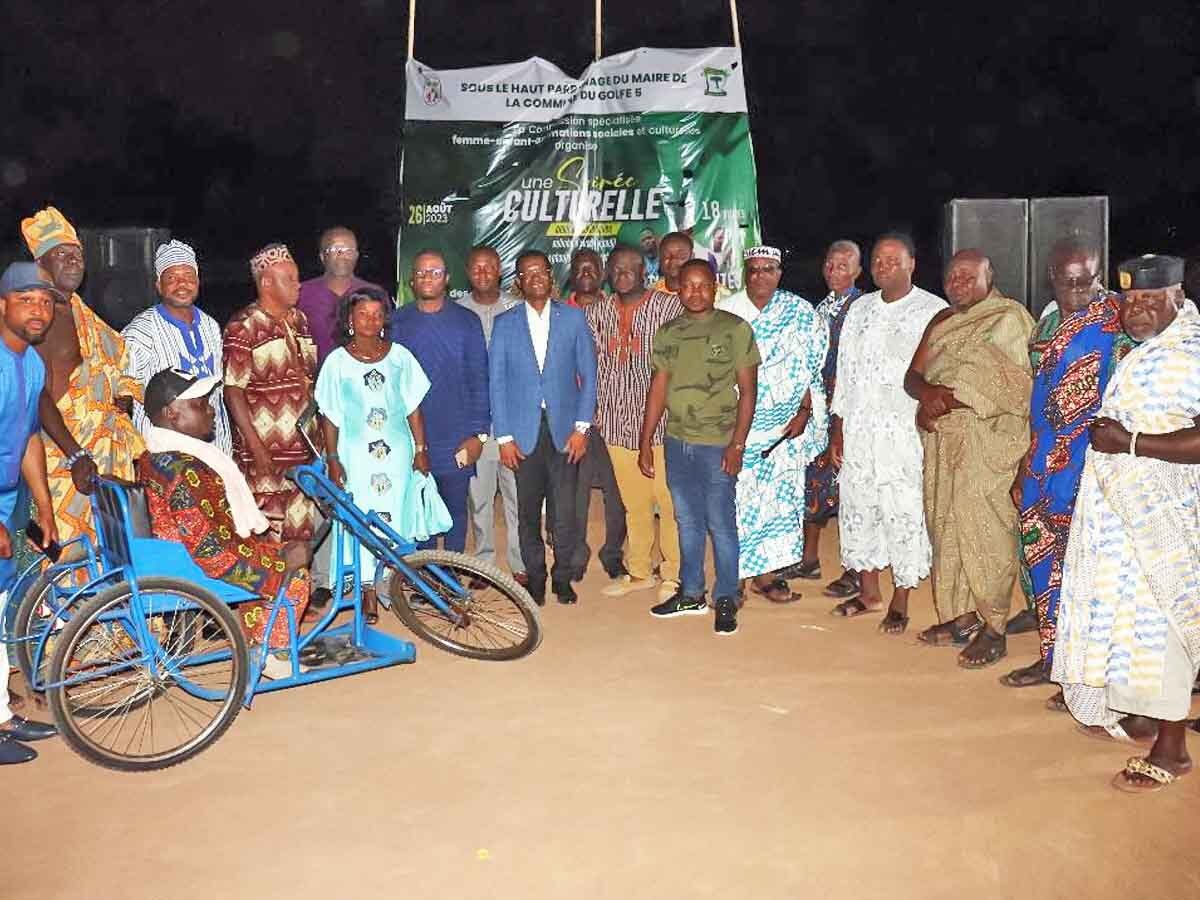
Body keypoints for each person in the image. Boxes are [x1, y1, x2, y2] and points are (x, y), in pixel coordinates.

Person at [1052, 254, 1200, 792]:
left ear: (1177, 298)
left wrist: (1130, 443)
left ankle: (1173, 748)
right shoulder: (1146, 352)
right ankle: (1141, 715)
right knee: (1128, 617)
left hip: (1164, 518)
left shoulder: (1190, 354)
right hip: (1121, 516)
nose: (1135, 310)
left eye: (1149, 300)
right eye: (1129, 300)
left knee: (1162, 624)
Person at [1000, 242, 1133, 696]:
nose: (1077, 290)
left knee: (1088, 571)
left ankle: (1087, 677)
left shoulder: (1121, 321)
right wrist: (1025, 466)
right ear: (1052, 278)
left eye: (1087, 280)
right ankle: (1053, 658)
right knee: (1043, 563)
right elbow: (1038, 404)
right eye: (1067, 281)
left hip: (1094, 465)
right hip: (1043, 463)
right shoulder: (1048, 321)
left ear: (1100, 275)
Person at [137, 368, 311, 678]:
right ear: (173, 414)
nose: (211, 410)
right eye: (201, 405)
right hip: (193, 564)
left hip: (172, 553)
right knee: (296, 570)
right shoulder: (186, 469)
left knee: (275, 550)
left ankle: (257, 637)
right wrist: (279, 557)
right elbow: (212, 553)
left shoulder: (155, 455)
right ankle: (272, 652)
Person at [905, 250, 1034, 662]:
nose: (957, 282)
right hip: (943, 438)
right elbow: (913, 374)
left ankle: (994, 625)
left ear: (989, 277)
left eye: (968, 275)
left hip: (987, 439)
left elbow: (1014, 385)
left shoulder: (1009, 318)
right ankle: (961, 617)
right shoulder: (942, 320)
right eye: (951, 276)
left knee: (984, 528)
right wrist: (928, 396)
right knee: (945, 525)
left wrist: (945, 399)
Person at [828, 233, 946, 626]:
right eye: (878, 259)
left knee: (903, 511)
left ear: (913, 263)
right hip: (860, 431)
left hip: (904, 435)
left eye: (893, 260)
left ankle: (901, 599)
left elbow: (941, 374)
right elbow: (844, 373)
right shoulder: (859, 310)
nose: (883, 266)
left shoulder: (933, 311)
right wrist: (838, 428)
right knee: (860, 507)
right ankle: (869, 593)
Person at [640, 259, 759, 635]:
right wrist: (646, 441)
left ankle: (726, 597)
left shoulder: (735, 329)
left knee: (721, 524)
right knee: (686, 521)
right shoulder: (669, 332)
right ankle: (691, 592)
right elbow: (658, 387)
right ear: (678, 289)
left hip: (717, 444)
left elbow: (749, 392)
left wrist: (737, 444)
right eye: (687, 286)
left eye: (702, 285)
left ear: (715, 288)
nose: (694, 292)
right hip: (677, 442)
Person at [317, 287, 445, 624]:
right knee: (361, 519)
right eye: (363, 315)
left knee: (396, 520)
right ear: (349, 320)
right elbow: (329, 416)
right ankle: (367, 591)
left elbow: (414, 407)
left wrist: (421, 450)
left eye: (377, 314)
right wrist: (332, 458)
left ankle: (393, 582)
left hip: (397, 455)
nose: (370, 321)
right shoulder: (337, 362)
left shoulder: (400, 356)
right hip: (355, 456)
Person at [20, 206, 142, 546]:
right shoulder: (40, 316)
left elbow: (106, 370)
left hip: (99, 455)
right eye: (62, 254)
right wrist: (75, 455)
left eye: (78, 253)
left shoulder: (79, 312)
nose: (75, 260)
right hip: (64, 460)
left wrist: (119, 398)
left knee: (107, 560)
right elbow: (36, 392)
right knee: (68, 561)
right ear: (40, 264)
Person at [717, 246, 828, 603]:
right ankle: (733, 578)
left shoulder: (799, 312)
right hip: (738, 428)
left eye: (769, 269)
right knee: (736, 503)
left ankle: (766, 575)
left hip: (785, 429)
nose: (761, 275)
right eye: (754, 269)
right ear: (745, 273)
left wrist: (805, 412)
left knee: (777, 504)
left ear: (780, 273)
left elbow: (813, 368)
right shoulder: (727, 311)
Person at [489, 250, 597, 606]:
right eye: (526, 273)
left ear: (551, 277)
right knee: (526, 513)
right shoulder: (505, 323)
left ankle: (562, 577)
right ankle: (535, 577)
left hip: (566, 431)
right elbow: (497, 383)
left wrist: (582, 428)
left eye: (541, 272)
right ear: (518, 282)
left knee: (565, 512)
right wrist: (503, 437)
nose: (535, 277)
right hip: (522, 434)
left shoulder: (574, 319)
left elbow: (589, 377)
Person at [589, 245, 682, 600]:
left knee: (669, 502)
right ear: (609, 274)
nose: (624, 273)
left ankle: (672, 573)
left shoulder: (668, 307)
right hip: (615, 422)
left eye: (631, 267)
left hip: (662, 424)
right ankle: (640, 570)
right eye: (617, 268)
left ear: (645, 271)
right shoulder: (597, 312)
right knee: (634, 503)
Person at [0, 263, 61, 764]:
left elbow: (28, 439)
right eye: (26, 300)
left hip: (8, 494)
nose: (38, 311)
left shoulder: (32, 363)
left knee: (0, 603)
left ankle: (2, 715)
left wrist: (44, 508)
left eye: (45, 302)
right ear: (3, 304)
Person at [391, 250, 489, 553]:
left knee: (455, 514)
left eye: (435, 272)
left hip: (457, 438)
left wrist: (478, 435)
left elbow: (480, 379)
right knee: (420, 514)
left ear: (447, 279)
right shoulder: (396, 322)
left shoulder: (467, 321)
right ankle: (427, 583)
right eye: (421, 273)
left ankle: (452, 584)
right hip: (411, 437)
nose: (427, 278)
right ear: (411, 280)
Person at [223, 243, 320, 543]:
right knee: (268, 543)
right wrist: (256, 448)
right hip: (265, 459)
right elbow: (233, 390)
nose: (298, 285)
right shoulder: (243, 327)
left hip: (302, 456)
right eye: (289, 279)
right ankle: (271, 593)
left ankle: (295, 592)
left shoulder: (300, 322)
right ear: (266, 282)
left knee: (299, 540)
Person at [794, 240, 862, 600]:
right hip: (819, 411)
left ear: (857, 271)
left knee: (850, 491)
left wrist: (843, 419)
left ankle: (855, 571)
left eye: (843, 265)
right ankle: (809, 560)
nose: (835, 270)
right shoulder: (821, 307)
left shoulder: (862, 308)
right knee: (814, 483)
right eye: (830, 264)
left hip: (848, 413)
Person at [456, 247, 526, 583]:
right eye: (476, 267)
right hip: (475, 423)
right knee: (479, 498)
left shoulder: (518, 310)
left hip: (513, 421)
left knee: (516, 496)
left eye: (490, 267)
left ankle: (520, 561)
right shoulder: (457, 313)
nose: (483, 272)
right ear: (467, 272)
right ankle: (483, 564)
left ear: (500, 271)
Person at [122, 240, 232, 454]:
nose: (182, 284)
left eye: (188, 277)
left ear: (198, 281)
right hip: (166, 456)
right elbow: (124, 396)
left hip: (216, 449)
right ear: (158, 285)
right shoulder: (140, 332)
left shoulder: (211, 325)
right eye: (171, 278)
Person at [561, 249, 627, 584]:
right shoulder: (558, 313)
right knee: (576, 493)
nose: (586, 272)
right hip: (575, 421)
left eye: (593, 268)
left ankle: (613, 554)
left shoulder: (620, 309)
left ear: (602, 273)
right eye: (579, 268)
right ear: (571, 274)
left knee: (618, 494)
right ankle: (576, 556)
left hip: (616, 418)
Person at [298, 227, 379, 367]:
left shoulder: (375, 294)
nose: (342, 255)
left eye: (348, 250)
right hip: (314, 382)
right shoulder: (300, 294)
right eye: (335, 250)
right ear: (322, 257)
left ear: (356, 255)